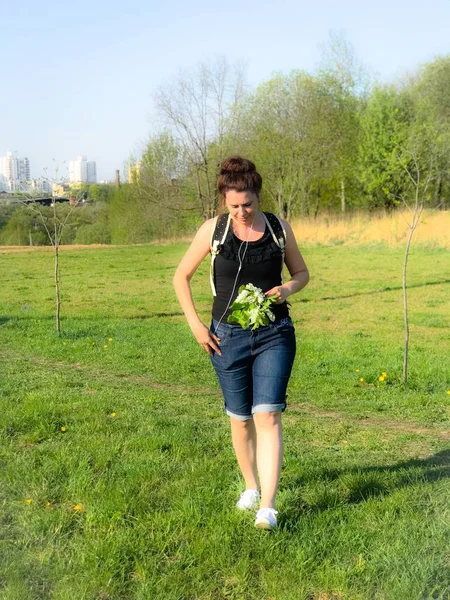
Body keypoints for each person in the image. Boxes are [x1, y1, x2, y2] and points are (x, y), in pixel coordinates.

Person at [173, 157, 309, 530]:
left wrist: (287, 288)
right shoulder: (214, 231)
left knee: (267, 414)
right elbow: (180, 277)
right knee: (240, 418)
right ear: (224, 203)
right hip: (225, 337)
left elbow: (301, 272)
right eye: (233, 206)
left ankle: (268, 505)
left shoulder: (279, 229)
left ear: (257, 196)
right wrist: (196, 325)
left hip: (274, 333)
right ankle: (250, 486)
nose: (241, 212)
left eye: (247, 204)